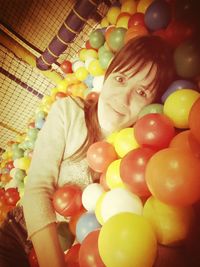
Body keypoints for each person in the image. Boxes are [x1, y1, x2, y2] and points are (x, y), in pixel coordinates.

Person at [0, 35, 176, 267]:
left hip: (78, 253)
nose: (123, 98)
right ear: (107, 76)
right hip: (18, 235)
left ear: (153, 104)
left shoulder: (139, 154)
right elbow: (37, 188)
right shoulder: (68, 112)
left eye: (141, 92)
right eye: (121, 79)